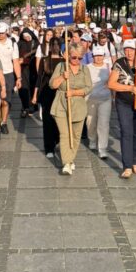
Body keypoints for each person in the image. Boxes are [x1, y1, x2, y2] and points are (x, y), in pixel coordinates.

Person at [108, 39, 136, 179]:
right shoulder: (119, 63)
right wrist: (130, 88)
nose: (129, 52)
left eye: (131, 50)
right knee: (126, 132)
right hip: (124, 103)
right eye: (126, 49)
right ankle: (127, 166)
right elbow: (111, 84)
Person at [49, 41, 92, 174]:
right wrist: (63, 77)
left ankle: (70, 158)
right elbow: (52, 85)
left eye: (80, 58)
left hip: (78, 106)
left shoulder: (84, 69)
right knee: (65, 134)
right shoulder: (61, 66)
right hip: (61, 104)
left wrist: (74, 92)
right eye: (74, 57)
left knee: (76, 136)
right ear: (68, 55)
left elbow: (88, 88)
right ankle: (66, 163)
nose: (77, 60)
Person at [33, 37, 64, 158]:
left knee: (59, 119)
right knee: (47, 121)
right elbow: (39, 78)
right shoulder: (45, 60)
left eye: (57, 44)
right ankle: (48, 147)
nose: (55, 47)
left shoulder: (64, 60)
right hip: (46, 93)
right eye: (53, 44)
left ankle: (57, 140)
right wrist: (35, 94)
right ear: (50, 46)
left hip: (60, 93)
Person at [0, 22, 21, 137]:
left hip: (8, 74)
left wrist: (18, 78)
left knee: (5, 101)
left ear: (6, 32)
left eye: (2, 33)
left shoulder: (12, 43)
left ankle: (4, 122)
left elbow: (16, 62)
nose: (0, 35)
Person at [86, 43, 112, 159]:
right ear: (92, 56)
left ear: (104, 56)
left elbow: (112, 82)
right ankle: (92, 140)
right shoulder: (87, 67)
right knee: (90, 123)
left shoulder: (108, 67)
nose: (98, 58)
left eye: (100, 55)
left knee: (103, 123)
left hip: (105, 99)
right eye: (96, 55)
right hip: (90, 99)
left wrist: (114, 97)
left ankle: (102, 148)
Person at [17, 27, 38, 117]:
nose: (26, 38)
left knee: (32, 87)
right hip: (23, 69)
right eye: (25, 37)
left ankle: (32, 106)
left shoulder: (35, 43)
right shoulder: (20, 43)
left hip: (33, 68)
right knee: (23, 88)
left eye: (28, 36)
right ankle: (25, 107)